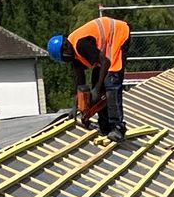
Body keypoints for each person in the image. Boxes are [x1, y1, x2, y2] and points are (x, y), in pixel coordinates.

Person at [47, 13, 130, 141]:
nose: (66, 61)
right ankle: (105, 126)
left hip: (118, 35)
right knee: (98, 83)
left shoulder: (81, 45)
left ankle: (118, 128)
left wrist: (96, 89)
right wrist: (76, 105)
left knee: (111, 83)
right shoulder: (72, 52)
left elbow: (106, 62)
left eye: (64, 58)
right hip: (105, 50)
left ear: (65, 49)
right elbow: (80, 83)